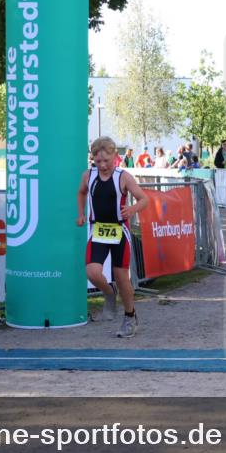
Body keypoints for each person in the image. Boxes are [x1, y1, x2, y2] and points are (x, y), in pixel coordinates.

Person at [77, 136, 149, 338]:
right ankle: (109, 292)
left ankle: (130, 316)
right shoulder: (88, 176)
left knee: (121, 275)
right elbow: (81, 193)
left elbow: (144, 199)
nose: (102, 165)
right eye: (97, 161)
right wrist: (81, 213)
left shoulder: (123, 176)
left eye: (106, 161)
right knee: (92, 272)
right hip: (97, 229)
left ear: (115, 157)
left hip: (119, 231)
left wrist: (133, 208)